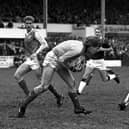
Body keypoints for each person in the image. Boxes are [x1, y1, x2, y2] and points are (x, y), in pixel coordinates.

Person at [17, 36, 101, 118]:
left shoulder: (82, 48)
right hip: (52, 58)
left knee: (72, 83)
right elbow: (61, 59)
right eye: (96, 47)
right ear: (90, 46)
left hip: (58, 59)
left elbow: (63, 59)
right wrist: (71, 67)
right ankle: (23, 106)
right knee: (44, 86)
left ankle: (77, 108)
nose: (97, 50)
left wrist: (71, 65)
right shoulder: (78, 50)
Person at [14, 16, 64, 107]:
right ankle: (28, 96)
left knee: (43, 82)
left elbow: (45, 44)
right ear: (24, 24)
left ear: (32, 24)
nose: (28, 25)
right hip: (29, 59)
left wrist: (36, 53)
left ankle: (58, 96)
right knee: (17, 75)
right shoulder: (26, 34)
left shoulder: (35, 33)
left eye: (30, 23)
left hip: (36, 60)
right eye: (27, 23)